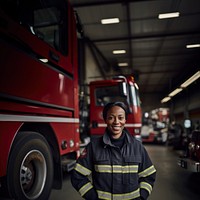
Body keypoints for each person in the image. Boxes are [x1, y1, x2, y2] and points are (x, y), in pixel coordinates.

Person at [71, 102, 156, 200]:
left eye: (120, 118)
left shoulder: (137, 147)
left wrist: (142, 196)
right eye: (111, 117)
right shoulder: (93, 147)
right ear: (105, 120)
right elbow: (77, 176)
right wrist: (93, 197)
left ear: (125, 120)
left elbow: (149, 175)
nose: (116, 122)